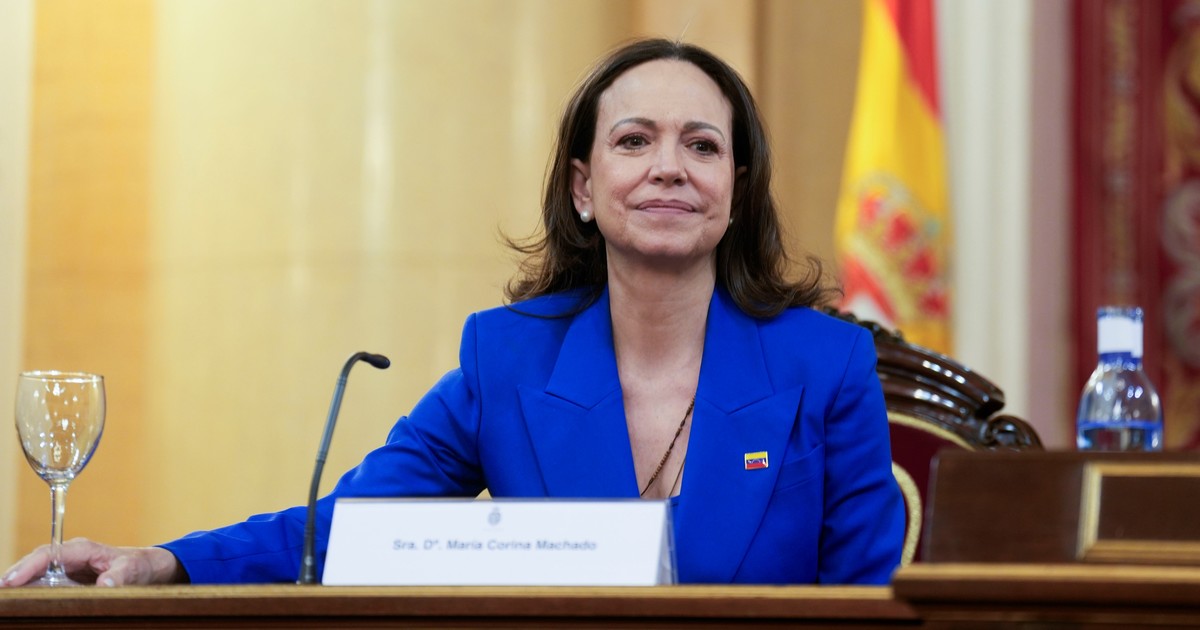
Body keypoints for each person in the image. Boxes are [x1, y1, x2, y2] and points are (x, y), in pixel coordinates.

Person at [1, 38, 903, 587]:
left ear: (735, 192)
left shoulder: (827, 365)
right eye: (634, 141)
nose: (669, 166)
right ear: (584, 189)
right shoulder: (506, 360)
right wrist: (169, 562)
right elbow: (352, 525)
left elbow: (867, 603)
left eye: (702, 146)